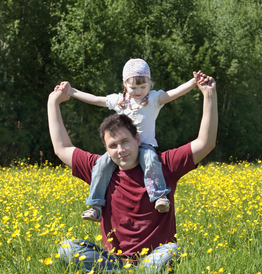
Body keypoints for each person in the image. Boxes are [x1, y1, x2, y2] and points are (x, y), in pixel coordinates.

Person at [47, 71, 217, 274]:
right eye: (113, 145)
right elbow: (61, 148)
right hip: (113, 260)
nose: (121, 150)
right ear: (106, 149)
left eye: (125, 141)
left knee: (171, 251)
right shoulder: (99, 168)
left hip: (154, 257)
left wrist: (209, 95)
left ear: (137, 139)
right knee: (67, 249)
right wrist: (53, 103)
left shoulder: (164, 165)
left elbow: (205, 143)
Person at [55, 58, 204, 222]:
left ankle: (159, 197)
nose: (138, 91)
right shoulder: (119, 101)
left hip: (145, 145)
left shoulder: (154, 99)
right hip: (122, 147)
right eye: (133, 87)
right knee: (101, 165)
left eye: (143, 86)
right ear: (125, 84)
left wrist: (193, 82)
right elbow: (96, 99)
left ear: (150, 83)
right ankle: (95, 206)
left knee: (150, 159)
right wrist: (71, 91)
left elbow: (174, 93)